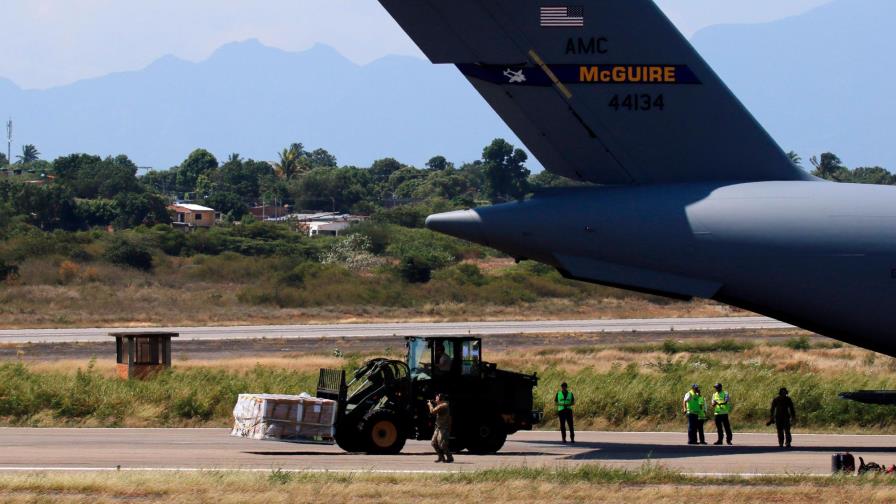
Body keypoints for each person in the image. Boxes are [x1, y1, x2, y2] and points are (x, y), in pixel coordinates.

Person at [428, 393, 453, 463]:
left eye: (437, 398)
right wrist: (434, 402)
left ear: (440, 398)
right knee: (433, 443)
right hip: (438, 427)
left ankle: (449, 457)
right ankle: (441, 457)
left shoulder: (444, 405)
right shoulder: (441, 404)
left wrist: (430, 405)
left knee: (442, 444)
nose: (435, 399)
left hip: (444, 427)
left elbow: (432, 411)